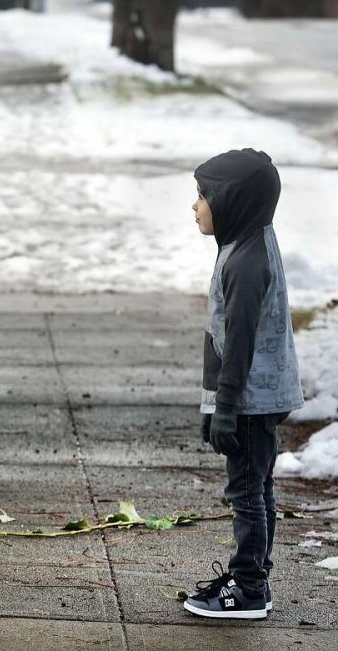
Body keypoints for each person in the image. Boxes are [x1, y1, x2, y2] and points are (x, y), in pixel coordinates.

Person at [183, 148, 304, 620]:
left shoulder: (247, 261)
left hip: (250, 400)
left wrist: (226, 409)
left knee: (246, 493)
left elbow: (239, 345)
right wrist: (213, 406)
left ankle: (249, 587)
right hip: (248, 397)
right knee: (257, 488)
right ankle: (251, 577)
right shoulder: (246, 242)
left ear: (231, 202)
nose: (195, 206)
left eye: (202, 196)